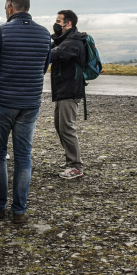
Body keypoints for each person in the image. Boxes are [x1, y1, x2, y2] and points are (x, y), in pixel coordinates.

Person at [0, 0, 51, 225]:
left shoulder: (1, 32)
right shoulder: (44, 34)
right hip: (30, 102)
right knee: (23, 155)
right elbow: (43, 67)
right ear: (27, 7)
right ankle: (20, 210)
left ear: (10, 7)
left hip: (3, 102)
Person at [50, 10, 89, 180]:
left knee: (67, 128)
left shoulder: (73, 41)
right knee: (61, 126)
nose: (56, 24)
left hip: (69, 90)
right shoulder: (65, 39)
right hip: (63, 90)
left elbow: (54, 54)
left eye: (59, 21)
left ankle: (75, 166)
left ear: (69, 23)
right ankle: (71, 162)